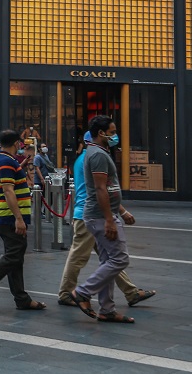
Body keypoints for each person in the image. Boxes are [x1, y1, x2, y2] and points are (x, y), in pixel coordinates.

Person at [58, 132, 155, 309]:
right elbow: (102, 190)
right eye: (109, 134)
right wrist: (121, 212)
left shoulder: (85, 158)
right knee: (81, 256)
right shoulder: (94, 158)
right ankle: (67, 293)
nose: (113, 138)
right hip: (90, 214)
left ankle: (130, 292)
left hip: (89, 214)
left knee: (111, 259)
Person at [70, 116, 138, 323]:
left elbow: (109, 188)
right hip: (100, 216)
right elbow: (100, 188)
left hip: (101, 214)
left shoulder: (99, 152)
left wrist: (121, 211)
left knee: (108, 260)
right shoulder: (98, 155)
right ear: (101, 133)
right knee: (120, 259)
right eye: (112, 131)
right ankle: (82, 291)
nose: (115, 135)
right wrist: (109, 219)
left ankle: (107, 310)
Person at [0, 129, 45, 312]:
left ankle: (21, 298)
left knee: (16, 256)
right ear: (17, 144)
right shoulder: (5, 161)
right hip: (9, 217)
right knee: (14, 255)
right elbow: (8, 190)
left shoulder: (7, 160)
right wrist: (19, 218)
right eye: (20, 144)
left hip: (10, 216)